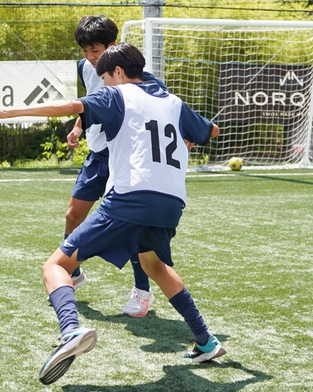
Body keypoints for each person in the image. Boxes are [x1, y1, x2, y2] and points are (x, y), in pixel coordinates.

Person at [0, 43, 224, 385]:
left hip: (131, 198)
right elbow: (211, 131)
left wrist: (10, 113)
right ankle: (206, 341)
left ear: (119, 73)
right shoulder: (172, 102)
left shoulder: (118, 95)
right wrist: (189, 140)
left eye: (105, 77)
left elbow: (71, 106)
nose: (104, 84)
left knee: (55, 267)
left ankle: (70, 331)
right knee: (155, 266)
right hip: (171, 203)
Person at [67, 15, 215, 318]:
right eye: (84, 51)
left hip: (131, 159)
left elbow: (167, 112)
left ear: (113, 48)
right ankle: (72, 271)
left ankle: (141, 290)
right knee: (73, 214)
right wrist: (79, 126)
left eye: (95, 51)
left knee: (134, 230)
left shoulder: (143, 78)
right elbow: (93, 103)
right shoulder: (85, 68)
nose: (90, 58)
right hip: (99, 154)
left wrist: (186, 137)